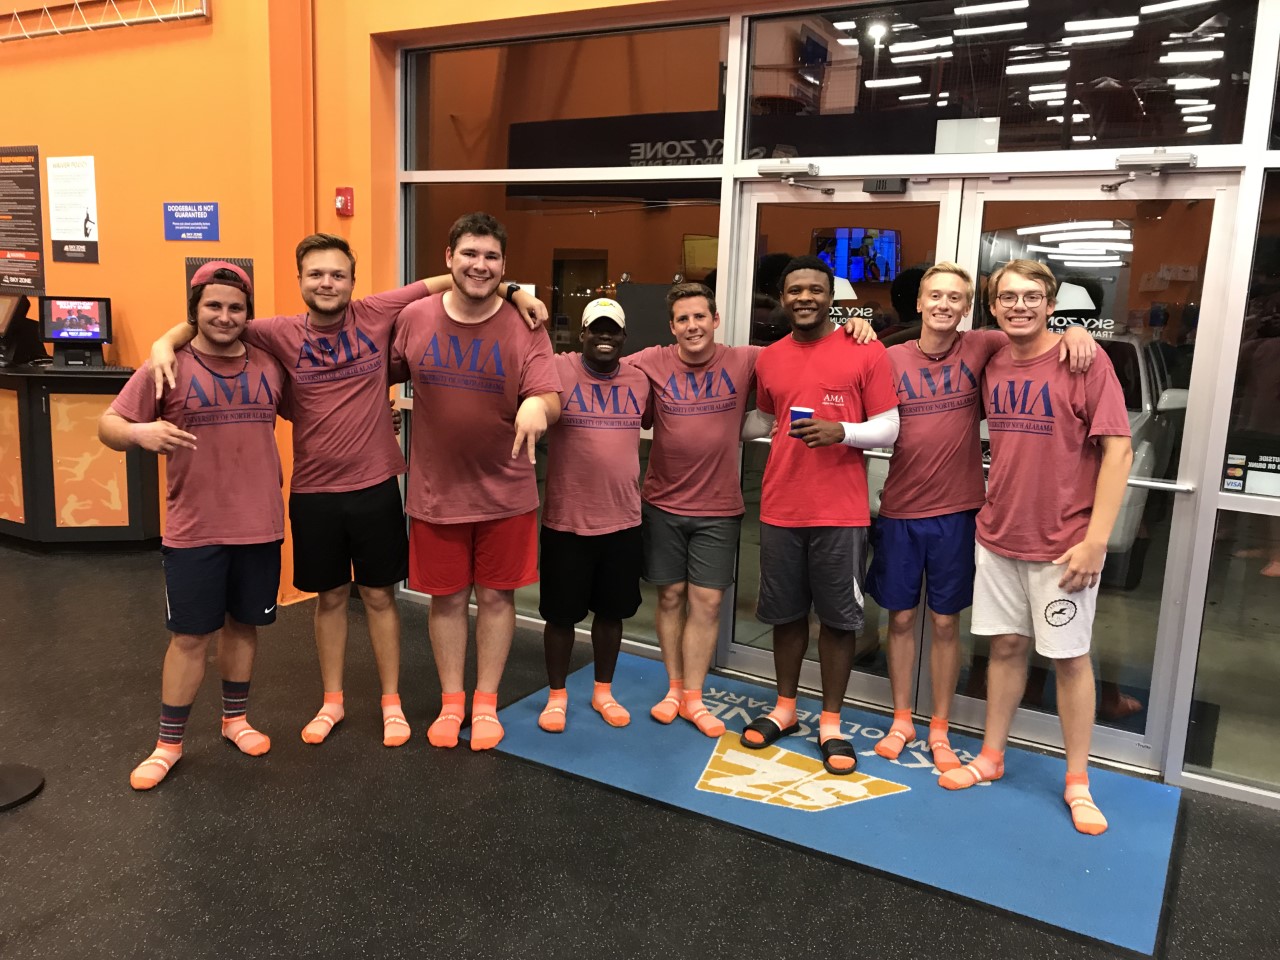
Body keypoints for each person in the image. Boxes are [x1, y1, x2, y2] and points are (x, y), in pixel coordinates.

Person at [150, 236, 547, 749]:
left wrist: (516, 292)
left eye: (337, 274)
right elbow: (218, 323)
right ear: (300, 280)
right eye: (316, 274)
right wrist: (166, 340)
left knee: (380, 597)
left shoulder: (378, 312)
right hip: (314, 490)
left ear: (352, 281)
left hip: (377, 484)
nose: (327, 283)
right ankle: (331, 702)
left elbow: (455, 277)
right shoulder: (277, 332)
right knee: (330, 598)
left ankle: (392, 704)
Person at [862, 263, 1095, 771]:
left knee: (946, 623)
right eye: (935, 296)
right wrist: (855, 327)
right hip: (900, 509)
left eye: (956, 298)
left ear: (969, 309)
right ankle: (902, 718)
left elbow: (1034, 331)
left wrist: (1073, 329)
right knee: (900, 618)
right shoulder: (887, 357)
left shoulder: (983, 346)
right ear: (919, 304)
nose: (945, 305)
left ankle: (940, 726)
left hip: (960, 512)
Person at [937, 259, 1132, 838]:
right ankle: (991, 757)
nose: (1019, 306)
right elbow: (927, 336)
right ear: (993, 309)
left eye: (1031, 297)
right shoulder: (992, 358)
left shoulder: (1086, 362)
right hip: (998, 536)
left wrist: (1096, 540)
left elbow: (1117, 453)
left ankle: (1078, 782)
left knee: (1070, 659)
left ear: (1051, 304)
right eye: (1008, 298)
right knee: (1005, 648)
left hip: (1064, 546)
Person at [100, 262, 285, 790]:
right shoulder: (167, 365)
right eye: (213, 306)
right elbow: (108, 424)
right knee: (189, 637)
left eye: (235, 307)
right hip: (194, 527)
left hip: (260, 523)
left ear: (248, 313)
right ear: (195, 311)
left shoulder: (269, 364)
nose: (225, 316)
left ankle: (235, 720)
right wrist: (140, 435)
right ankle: (167, 744)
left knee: (244, 626)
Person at [391, 212, 561, 752]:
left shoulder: (524, 326)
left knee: (496, 599)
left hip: (506, 493)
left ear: (504, 265)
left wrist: (537, 406)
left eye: (491, 257)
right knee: (444, 600)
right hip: (436, 492)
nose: (479, 265)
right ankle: (451, 702)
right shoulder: (415, 318)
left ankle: (485, 703)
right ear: (448, 258)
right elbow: (375, 366)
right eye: (469, 253)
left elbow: (550, 394)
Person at [737, 256, 899, 774]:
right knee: (784, 615)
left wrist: (842, 432)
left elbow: (890, 428)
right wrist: (707, 428)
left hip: (839, 512)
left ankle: (830, 722)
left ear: (831, 296)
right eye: (794, 290)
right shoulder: (771, 358)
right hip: (781, 506)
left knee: (837, 620)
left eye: (814, 289)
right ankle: (784, 709)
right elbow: (765, 417)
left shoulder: (864, 350)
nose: (804, 297)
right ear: (783, 298)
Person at [625, 283, 760, 738]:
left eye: (700, 317)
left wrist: (858, 329)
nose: (692, 326)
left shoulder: (744, 361)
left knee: (707, 601)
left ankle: (695, 697)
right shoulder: (650, 361)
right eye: (683, 319)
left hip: (719, 508)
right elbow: (593, 369)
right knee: (669, 597)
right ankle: (674, 688)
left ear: (715, 320)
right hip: (663, 503)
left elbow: (804, 357)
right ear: (672, 327)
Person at [536, 297, 650, 732]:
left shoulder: (640, 380)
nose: (605, 337)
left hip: (623, 520)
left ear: (624, 337)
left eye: (613, 330)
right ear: (582, 334)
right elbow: (522, 351)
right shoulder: (559, 368)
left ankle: (603, 691)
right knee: (560, 617)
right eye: (596, 329)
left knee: (612, 613)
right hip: (567, 520)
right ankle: (556, 696)